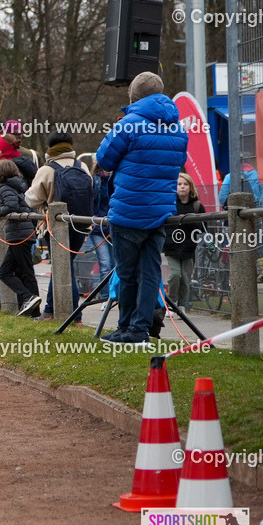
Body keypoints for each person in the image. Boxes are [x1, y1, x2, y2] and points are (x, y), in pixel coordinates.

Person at [96, 72, 188, 343]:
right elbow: (177, 163)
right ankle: (140, 329)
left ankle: (125, 328)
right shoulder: (178, 128)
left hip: (127, 211)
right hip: (160, 213)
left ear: (133, 96)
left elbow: (104, 160)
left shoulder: (129, 124)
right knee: (150, 273)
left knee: (126, 273)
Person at [25, 132, 92, 321]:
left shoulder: (47, 169)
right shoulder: (82, 166)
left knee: (63, 266)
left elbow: (32, 199)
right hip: (80, 224)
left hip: (54, 225)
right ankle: (51, 310)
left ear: (50, 148)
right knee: (63, 265)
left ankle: (73, 314)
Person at [0, 160, 41, 316]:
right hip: (24, 233)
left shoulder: (5, 187)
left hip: (19, 234)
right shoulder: (20, 185)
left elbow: (11, 206)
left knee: (23, 272)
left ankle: (30, 300)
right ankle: (29, 304)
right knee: (7, 271)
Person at [163, 172, 206, 312]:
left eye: (185, 184)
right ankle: (172, 301)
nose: (182, 187)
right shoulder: (169, 204)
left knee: (186, 279)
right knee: (175, 275)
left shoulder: (197, 206)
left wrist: (186, 221)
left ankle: (181, 305)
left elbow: (202, 227)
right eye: (179, 184)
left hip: (189, 248)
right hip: (171, 247)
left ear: (190, 187)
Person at [85, 162, 114, 301]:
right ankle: (105, 296)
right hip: (97, 228)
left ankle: (116, 294)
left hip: (114, 226)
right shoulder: (94, 180)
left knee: (116, 264)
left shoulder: (117, 179)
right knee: (105, 263)